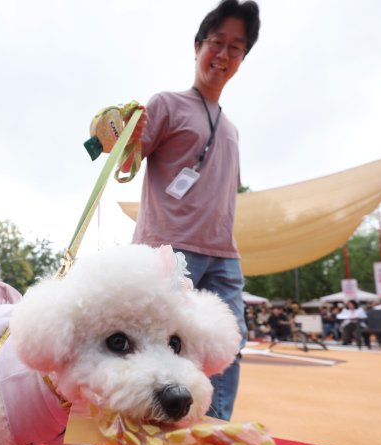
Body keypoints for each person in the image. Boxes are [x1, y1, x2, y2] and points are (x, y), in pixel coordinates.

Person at [127, 0, 261, 421]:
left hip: (224, 254)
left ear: (242, 59)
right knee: (154, 341)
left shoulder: (232, 128)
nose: (222, 56)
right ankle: (145, 423)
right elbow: (128, 162)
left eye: (235, 48)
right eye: (216, 43)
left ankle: (214, 428)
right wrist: (117, 134)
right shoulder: (167, 104)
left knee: (227, 344)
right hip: (168, 249)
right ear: (198, 46)